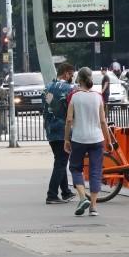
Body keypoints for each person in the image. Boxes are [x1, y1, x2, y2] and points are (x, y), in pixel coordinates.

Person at [65, 67, 113, 217]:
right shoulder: (98, 97)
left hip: (79, 138)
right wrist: (109, 140)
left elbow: (69, 120)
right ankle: (93, 207)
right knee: (95, 171)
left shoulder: (74, 97)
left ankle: (81, 197)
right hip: (97, 138)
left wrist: (66, 139)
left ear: (79, 80)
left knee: (75, 168)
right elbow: (103, 122)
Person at [42, 63, 77, 204]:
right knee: (61, 162)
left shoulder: (47, 88)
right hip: (64, 130)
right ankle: (51, 194)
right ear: (66, 74)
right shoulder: (70, 90)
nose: (72, 78)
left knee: (59, 161)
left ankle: (66, 192)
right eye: (72, 75)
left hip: (50, 130)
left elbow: (44, 107)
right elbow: (72, 111)